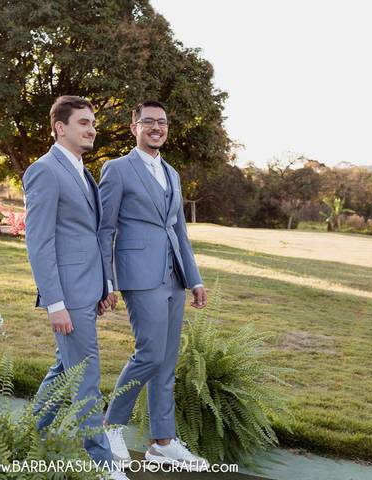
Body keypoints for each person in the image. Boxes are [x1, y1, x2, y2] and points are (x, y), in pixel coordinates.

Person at [98, 100, 208, 471]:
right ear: (135, 127)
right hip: (138, 275)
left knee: (166, 362)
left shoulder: (172, 173)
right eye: (149, 121)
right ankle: (111, 425)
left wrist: (194, 278)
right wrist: (107, 280)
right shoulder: (117, 169)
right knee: (150, 353)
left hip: (174, 277)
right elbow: (105, 230)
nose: (157, 127)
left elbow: (180, 231)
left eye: (162, 122)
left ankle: (163, 442)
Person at [22, 95, 127, 480]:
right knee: (86, 379)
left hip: (88, 290)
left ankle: (24, 438)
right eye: (84, 122)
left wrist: (105, 284)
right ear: (60, 127)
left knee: (64, 370)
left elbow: (93, 236)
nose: (92, 129)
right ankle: (103, 466)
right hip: (66, 296)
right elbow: (39, 242)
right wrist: (55, 303)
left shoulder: (84, 172)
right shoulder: (44, 171)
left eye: (93, 123)